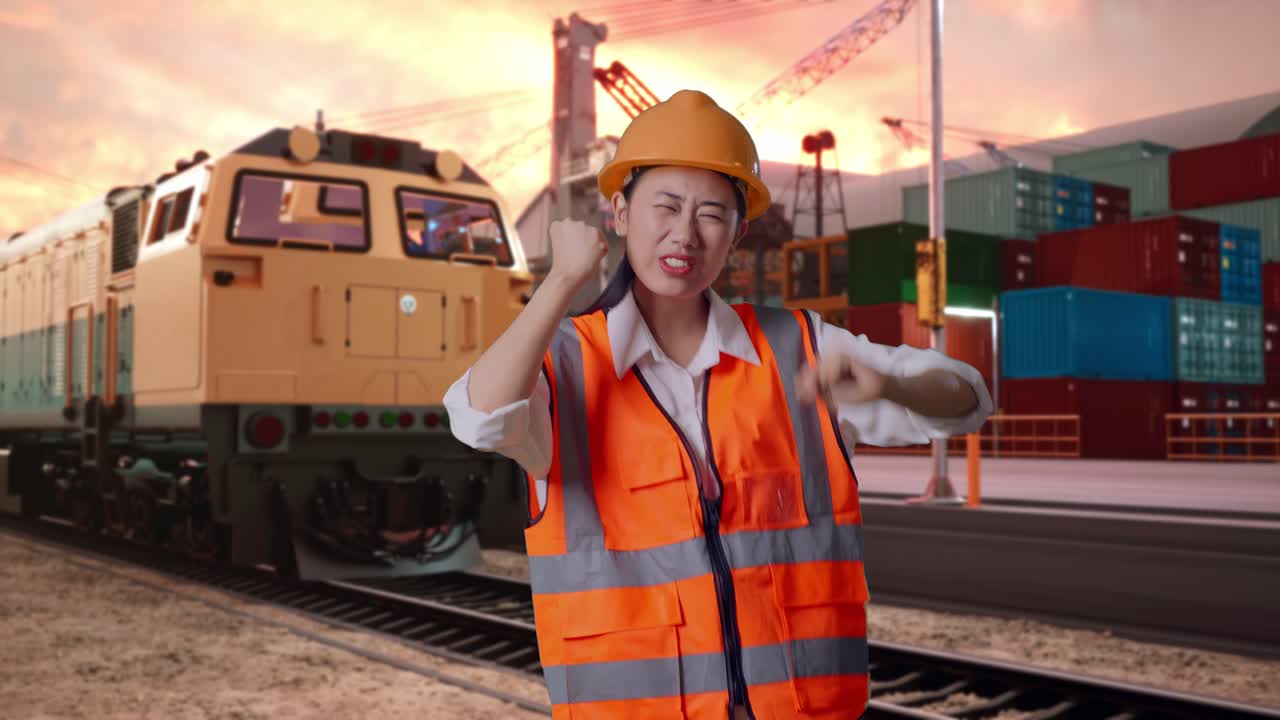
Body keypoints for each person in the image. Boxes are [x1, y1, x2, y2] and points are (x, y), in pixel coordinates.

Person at [443, 89, 993, 720]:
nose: (685, 233)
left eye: (711, 214)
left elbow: (967, 399)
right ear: (619, 212)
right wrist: (561, 282)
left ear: (739, 233)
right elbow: (478, 419)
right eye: (666, 206)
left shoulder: (800, 345)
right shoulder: (562, 362)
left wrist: (891, 384)